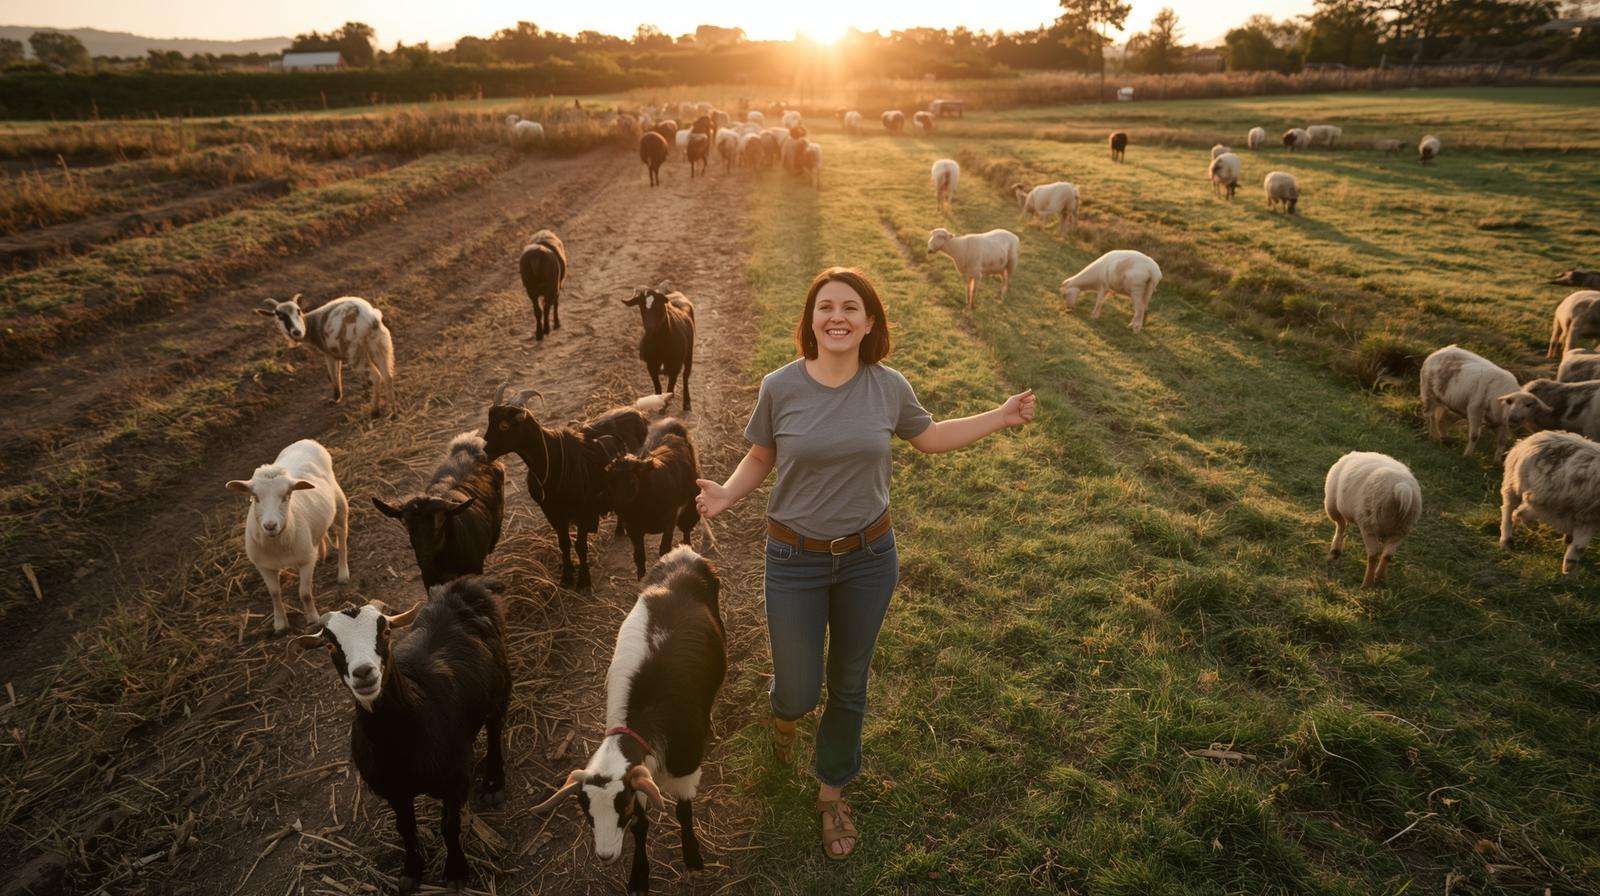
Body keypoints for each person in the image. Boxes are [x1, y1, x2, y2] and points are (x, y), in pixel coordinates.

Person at [694, 267, 1036, 859]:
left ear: (869, 321)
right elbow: (761, 454)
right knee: (798, 690)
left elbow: (930, 436)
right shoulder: (780, 386)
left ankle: (832, 793)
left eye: (850, 307)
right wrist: (727, 492)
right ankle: (785, 713)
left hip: (868, 558)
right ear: (810, 321)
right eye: (825, 306)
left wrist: (999, 416)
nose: (838, 317)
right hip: (793, 558)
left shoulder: (888, 387)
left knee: (849, 683)